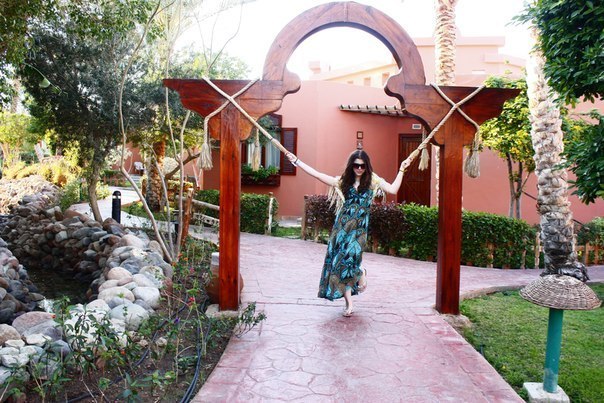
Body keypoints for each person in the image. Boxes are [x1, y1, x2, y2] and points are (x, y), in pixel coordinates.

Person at [286, 149, 410, 317]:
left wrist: (402, 168)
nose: (359, 168)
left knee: (349, 261)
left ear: (367, 166)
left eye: (362, 166)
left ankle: (360, 272)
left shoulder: (373, 181)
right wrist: (297, 162)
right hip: (342, 229)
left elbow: (393, 189)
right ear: (351, 166)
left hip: (359, 230)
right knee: (340, 264)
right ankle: (349, 303)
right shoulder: (343, 181)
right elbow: (317, 174)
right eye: (356, 165)